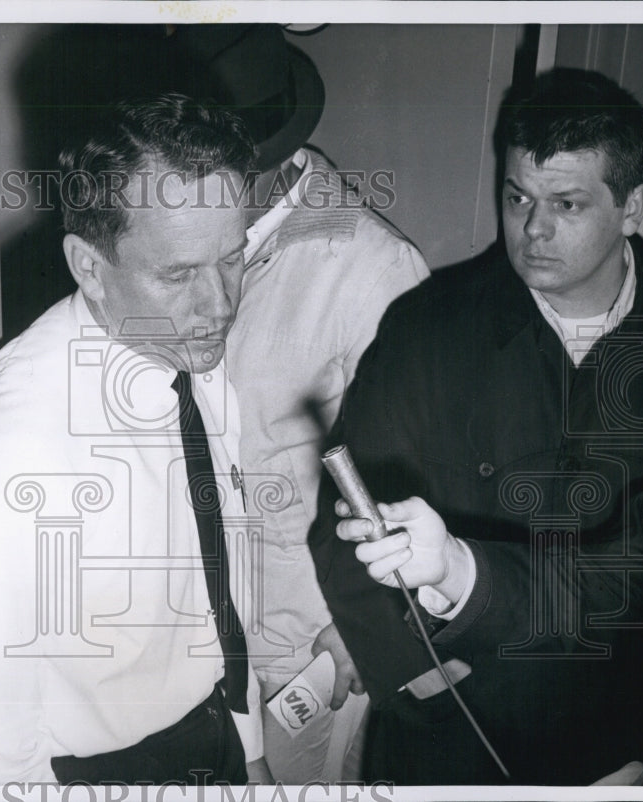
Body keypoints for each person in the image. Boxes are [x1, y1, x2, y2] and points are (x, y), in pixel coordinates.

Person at [0, 94, 272, 784]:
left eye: (232, 259)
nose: (221, 303)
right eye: (178, 274)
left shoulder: (184, 353)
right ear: (88, 266)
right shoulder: (10, 447)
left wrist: (248, 750)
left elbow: (214, 587)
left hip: (214, 737)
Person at [310, 68, 643, 785]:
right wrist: (418, 681)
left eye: (567, 203)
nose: (534, 229)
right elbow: (347, 521)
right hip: (457, 734)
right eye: (518, 196)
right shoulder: (428, 327)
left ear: (632, 208)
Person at [192, 25, 431, 782]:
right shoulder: (191, 243)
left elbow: (429, 466)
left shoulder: (370, 268)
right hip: (195, 630)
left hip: (309, 648)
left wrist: (368, 629)